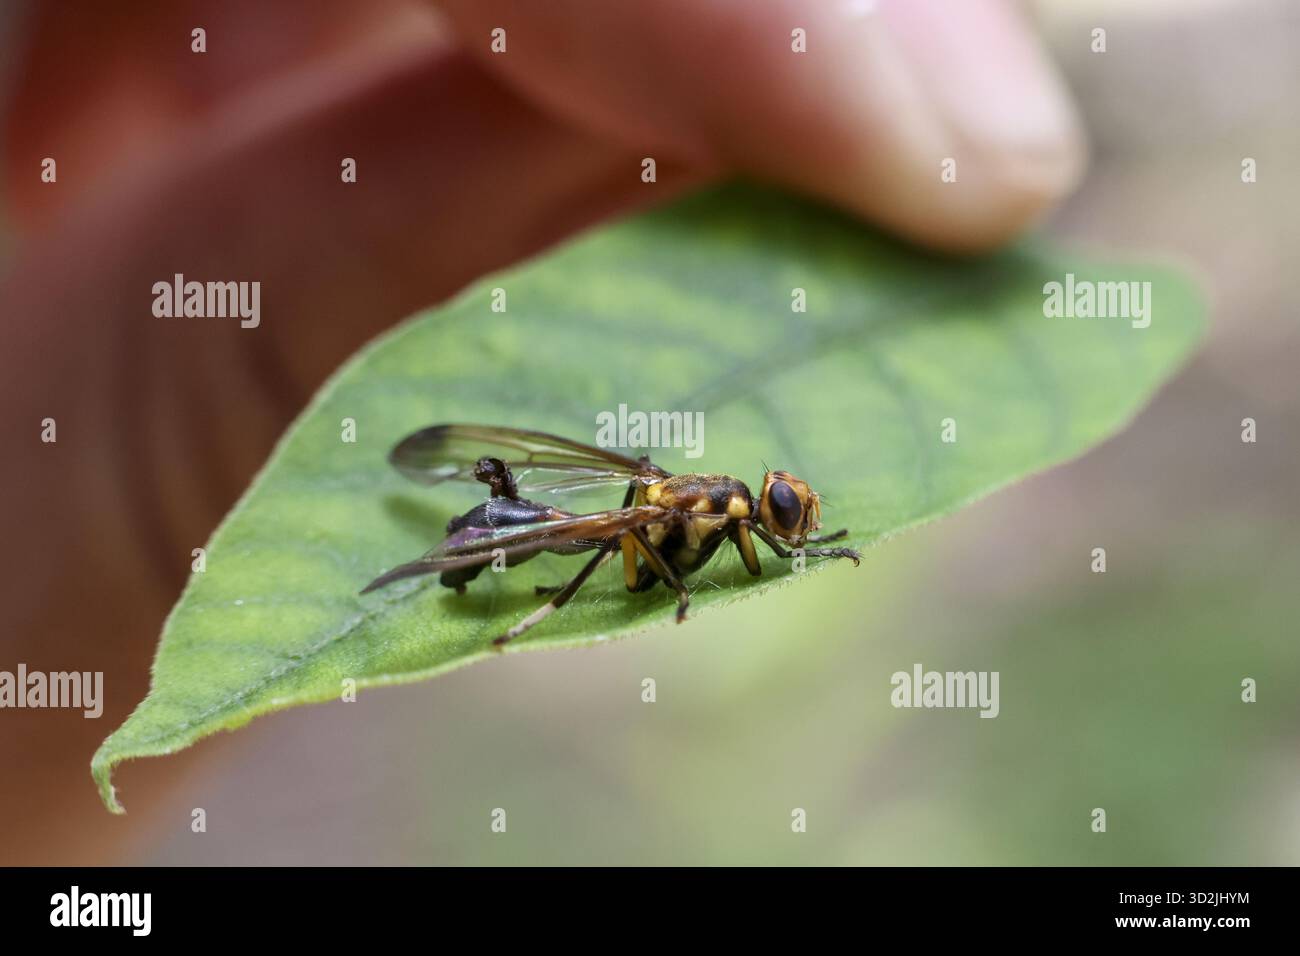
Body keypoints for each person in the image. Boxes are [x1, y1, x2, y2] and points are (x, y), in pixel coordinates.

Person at [0, 0, 1084, 858]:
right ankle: (493, 578)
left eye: (786, 512)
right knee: (590, 533)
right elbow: (635, 533)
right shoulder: (698, 516)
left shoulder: (718, 512)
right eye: (783, 516)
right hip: (532, 534)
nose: (779, 521)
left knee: (608, 516)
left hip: (580, 501)